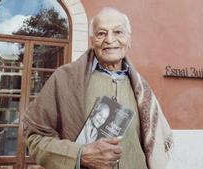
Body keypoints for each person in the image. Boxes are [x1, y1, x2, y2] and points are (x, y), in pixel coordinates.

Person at [23, 7, 173, 169]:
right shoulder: (64, 79)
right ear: (92, 40)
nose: (110, 39)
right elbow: (35, 137)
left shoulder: (143, 90)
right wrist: (80, 154)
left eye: (118, 32)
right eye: (101, 33)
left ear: (129, 40)